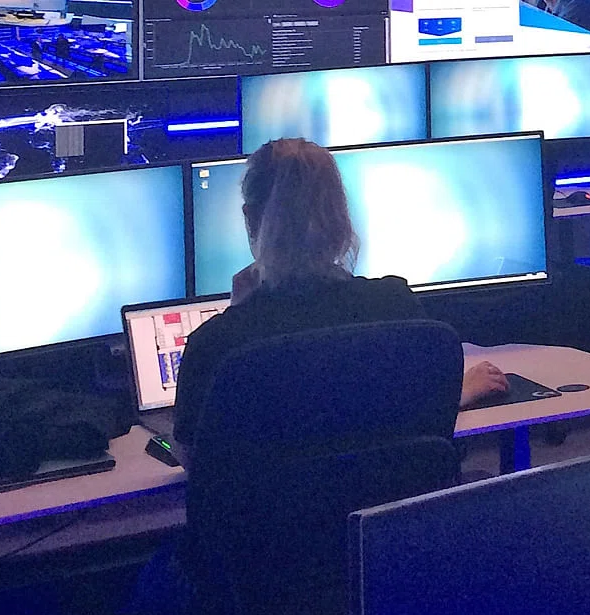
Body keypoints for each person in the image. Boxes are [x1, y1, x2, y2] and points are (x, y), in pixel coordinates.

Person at [171, 138, 509, 465]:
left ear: (250, 219)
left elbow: (195, 459)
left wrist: (238, 316)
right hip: (384, 503)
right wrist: (454, 392)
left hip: (274, 507)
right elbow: (406, 417)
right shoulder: (398, 308)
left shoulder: (218, 344)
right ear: (340, 215)